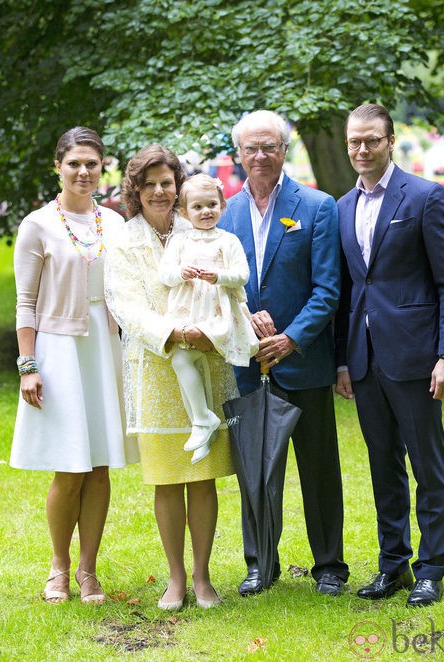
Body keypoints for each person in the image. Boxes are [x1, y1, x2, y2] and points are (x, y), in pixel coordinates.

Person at [335, 103, 444, 607]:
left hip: (416, 357)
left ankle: (431, 569)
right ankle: (392, 564)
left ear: (391, 141)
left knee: (426, 467)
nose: (362, 149)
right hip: (365, 359)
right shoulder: (342, 206)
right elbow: (348, 290)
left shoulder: (426, 197)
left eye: (372, 140)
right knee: (382, 466)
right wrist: (343, 361)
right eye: (354, 141)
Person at [219, 109, 349, 597]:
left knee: (319, 470)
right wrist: (243, 319)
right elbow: (217, 289)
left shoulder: (316, 206)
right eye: (251, 148)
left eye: (269, 146)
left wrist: (291, 337)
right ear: (239, 153)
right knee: (254, 470)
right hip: (247, 363)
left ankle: (330, 566)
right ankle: (260, 563)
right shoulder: (223, 213)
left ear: (284, 150)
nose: (260, 156)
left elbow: (328, 289)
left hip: (304, 361)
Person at [104, 145, 237, 610]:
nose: (159, 191)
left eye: (167, 183)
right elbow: (124, 303)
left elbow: (229, 288)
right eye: (150, 184)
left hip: (205, 357)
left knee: (203, 477)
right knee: (166, 479)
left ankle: (202, 577)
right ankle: (176, 579)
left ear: (178, 187)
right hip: (156, 368)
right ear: (135, 190)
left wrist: (209, 332)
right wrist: (173, 332)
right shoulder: (124, 239)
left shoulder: (199, 227)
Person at [10, 127, 140, 604]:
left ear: (102, 167)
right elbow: (25, 302)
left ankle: (88, 570)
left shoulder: (116, 223)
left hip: (104, 349)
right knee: (69, 466)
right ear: (58, 166)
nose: (83, 172)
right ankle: (59, 568)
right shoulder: (38, 225)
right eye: (74, 163)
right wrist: (28, 364)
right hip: (59, 350)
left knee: (100, 466)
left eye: (92, 163)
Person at [159, 174, 259, 464]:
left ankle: (203, 421)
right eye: (198, 207)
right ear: (184, 212)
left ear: (222, 206)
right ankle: (202, 422)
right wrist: (181, 273)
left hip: (217, 312)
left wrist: (220, 277)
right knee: (182, 359)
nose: (206, 212)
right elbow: (165, 274)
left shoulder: (227, 240)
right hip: (187, 310)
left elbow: (242, 274)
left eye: (212, 205)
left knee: (189, 358)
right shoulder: (179, 241)